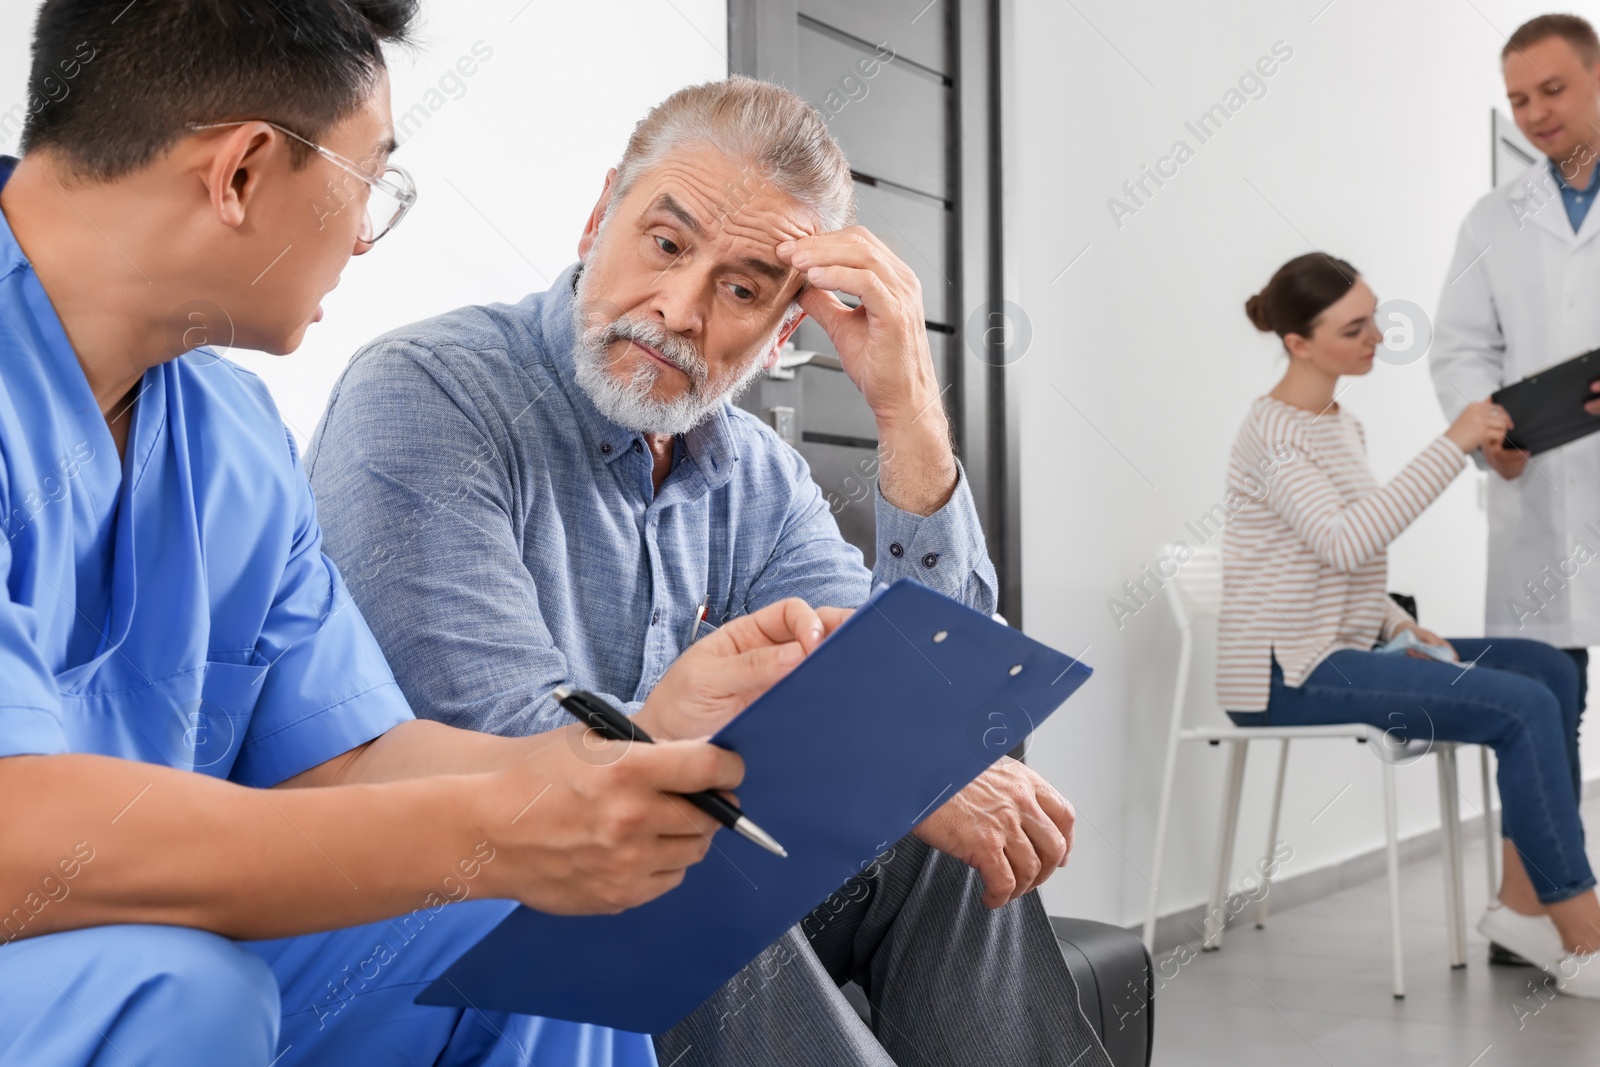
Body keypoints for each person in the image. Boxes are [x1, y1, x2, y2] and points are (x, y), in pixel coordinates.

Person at [0, 3, 838, 1065]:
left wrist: (627, 753)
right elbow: (17, 837)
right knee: (178, 989)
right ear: (244, 173)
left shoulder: (228, 433)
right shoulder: (430, 389)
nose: (364, 230)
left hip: (146, 929)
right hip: (86, 945)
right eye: (370, 181)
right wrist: (491, 827)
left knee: (519, 923)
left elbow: (344, 760)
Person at [306, 77, 1111, 1067]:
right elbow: (502, 751)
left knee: (939, 839)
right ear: (600, 215)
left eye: (741, 287)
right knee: (675, 846)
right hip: (479, 896)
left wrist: (909, 411)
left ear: (784, 333)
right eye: (665, 242)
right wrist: (842, 756)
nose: (678, 309)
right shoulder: (428, 394)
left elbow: (927, 710)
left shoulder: (758, 473)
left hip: (652, 871)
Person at [1221, 252, 1600, 998]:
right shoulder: (1275, 434)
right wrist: (1454, 444)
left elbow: (1332, 561)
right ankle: (1585, 935)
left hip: (1346, 646)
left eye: (1375, 316)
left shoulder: (1337, 423)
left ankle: (1523, 910)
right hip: (1285, 672)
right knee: (1519, 705)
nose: (1378, 337)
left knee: (1548, 667)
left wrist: (1399, 621)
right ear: (1299, 341)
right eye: (1355, 327)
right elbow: (1345, 539)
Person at [1432, 12, 1600, 816]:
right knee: (1549, 686)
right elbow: (1461, 346)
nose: (1535, 111)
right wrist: (1486, 432)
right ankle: (1545, 900)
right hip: (1532, 482)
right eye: (1518, 97)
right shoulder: (1492, 218)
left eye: (1554, 88)